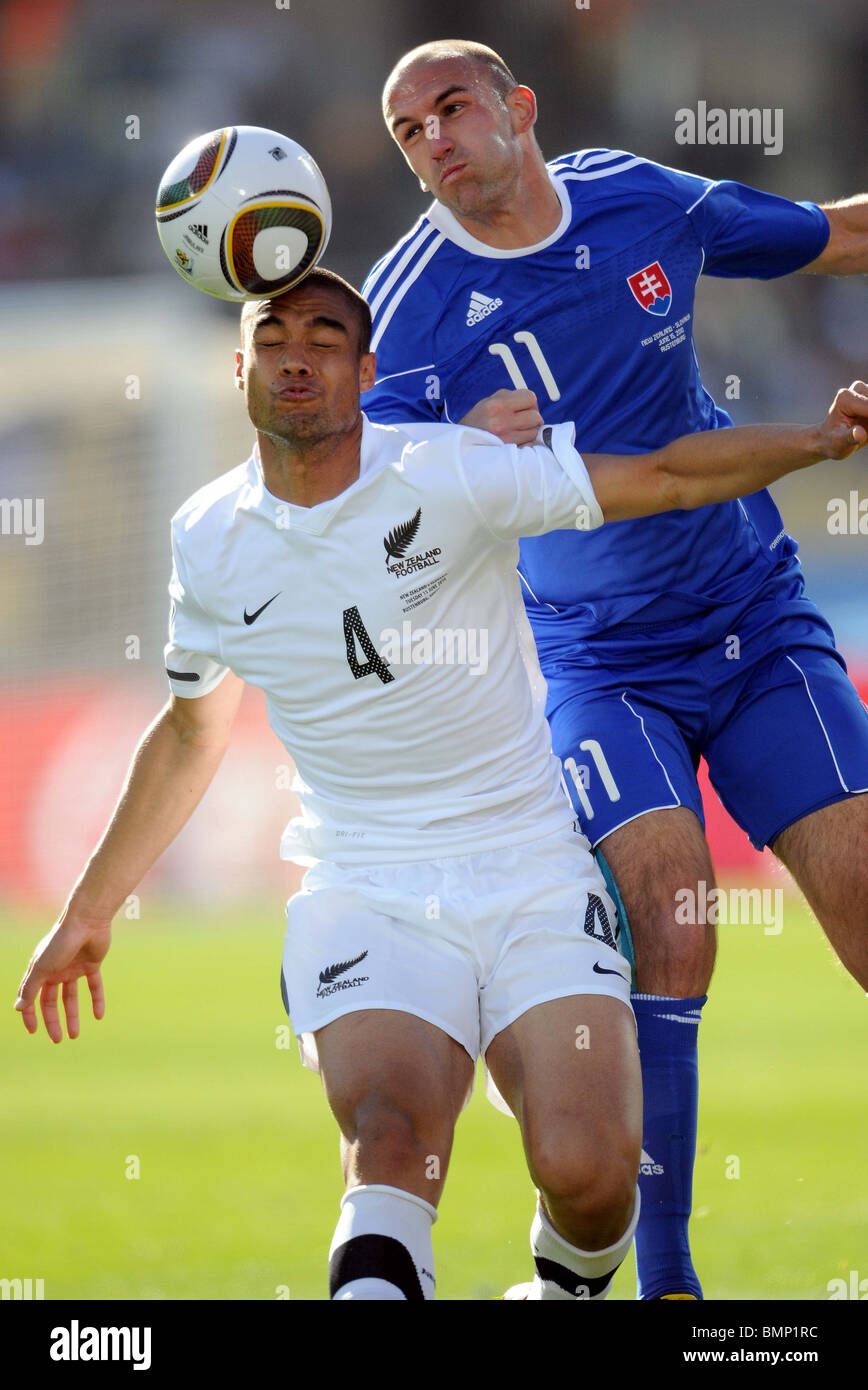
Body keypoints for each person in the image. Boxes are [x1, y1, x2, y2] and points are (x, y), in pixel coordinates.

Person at [14, 268, 868, 1302]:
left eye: (326, 336)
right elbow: (192, 727)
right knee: (390, 1139)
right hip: (366, 886)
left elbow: (664, 475)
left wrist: (810, 443)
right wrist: (90, 909)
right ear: (238, 368)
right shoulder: (207, 538)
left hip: (532, 867)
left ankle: (562, 1286)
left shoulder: (452, 468)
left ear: (366, 373)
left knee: (591, 1176)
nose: (297, 353)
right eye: (274, 334)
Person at [362, 38, 868, 1299]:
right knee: (669, 908)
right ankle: (668, 1284)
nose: (433, 139)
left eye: (453, 108)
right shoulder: (404, 308)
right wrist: (446, 450)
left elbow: (831, 236)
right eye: (407, 130)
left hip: (751, 614)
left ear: (517, 110)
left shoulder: (640, 202)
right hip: (594, 660)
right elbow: (347, 508)